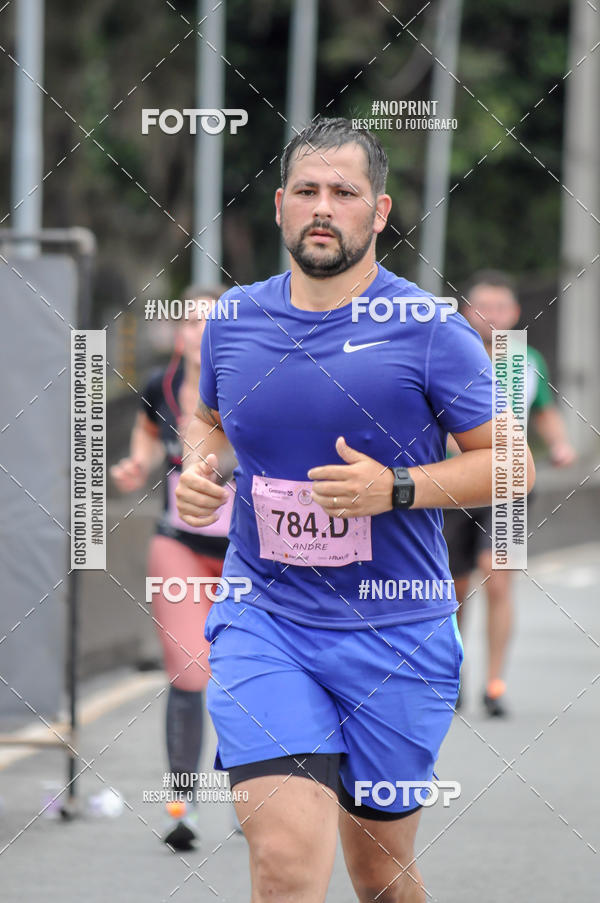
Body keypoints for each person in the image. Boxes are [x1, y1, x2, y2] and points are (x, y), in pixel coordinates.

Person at [176, 118, 535, 903]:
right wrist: (199, 468)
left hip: (396, 631)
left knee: (380, 875)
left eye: (344, 192)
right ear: (278, 206)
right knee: (283, 864)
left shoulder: (431, 329)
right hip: (264, 618)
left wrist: (397, 488)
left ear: (379, 212)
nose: (322, 207)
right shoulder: (235, 320)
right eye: (307, 190)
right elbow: (206, 420)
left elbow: (513, 462)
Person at [111, 286, 235, 850]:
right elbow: (146, 431)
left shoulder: (252, 383)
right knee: (189, 675)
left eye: (211, 322)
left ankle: (248, 799)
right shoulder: (161, 386)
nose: (198, 331)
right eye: (190, 321)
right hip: (179, 546)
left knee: (245, 680)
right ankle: (182, 808)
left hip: (250, 556)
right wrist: (139, 463)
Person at [443, 270, 576, 716]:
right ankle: (453, 674)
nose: (493, 316)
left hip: (508, 484)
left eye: (502, 307)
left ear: (516, 312)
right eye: (484, 307)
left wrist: (559, 444)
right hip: (455, 485)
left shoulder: (526, 361)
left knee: (497, 577)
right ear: (467, 311)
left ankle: (494, 683)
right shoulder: (447, 354)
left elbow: (544, 411)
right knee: (454, 587)